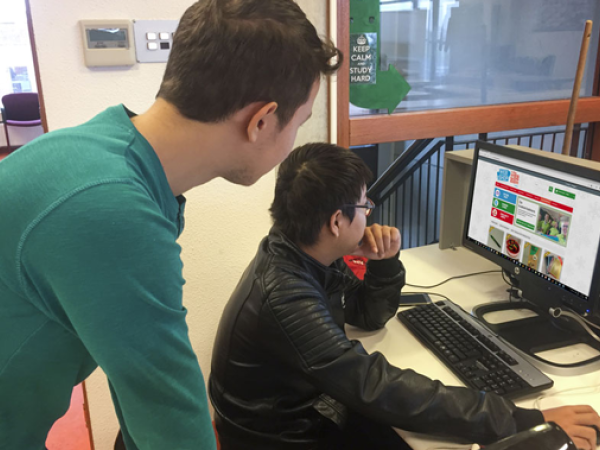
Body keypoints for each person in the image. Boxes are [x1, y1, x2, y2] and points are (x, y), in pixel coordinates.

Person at [0, 1, 341, 449]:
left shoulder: (98, 153)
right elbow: (169, 412)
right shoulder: (113, 210)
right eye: (300, 122)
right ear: (262, 120)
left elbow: (136, 372)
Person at [209, 143, 600, 450]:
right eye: (364, 205)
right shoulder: (286, 296)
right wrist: (523, 419)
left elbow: (367, 314)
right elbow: (376, 386)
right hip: (287, 437)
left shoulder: (301, 250)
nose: (370, 213)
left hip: (302, 413)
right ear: (336, 221)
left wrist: (383, 263)